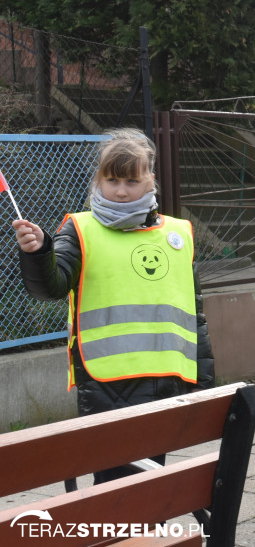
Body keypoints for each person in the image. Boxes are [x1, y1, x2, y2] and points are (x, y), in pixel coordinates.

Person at [13, 129, 214, 485]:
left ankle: (146, 540)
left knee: (151, 481)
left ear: (150, 179)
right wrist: (39, 253)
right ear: (99, 180)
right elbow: (53, 286)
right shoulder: (80, 229)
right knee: (114, 485)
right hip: (106, 383)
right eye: (113, 180)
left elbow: (193, 312)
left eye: (132, 181)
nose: (121, 190)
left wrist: (204, 380)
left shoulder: (179, 233)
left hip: (164, 380)